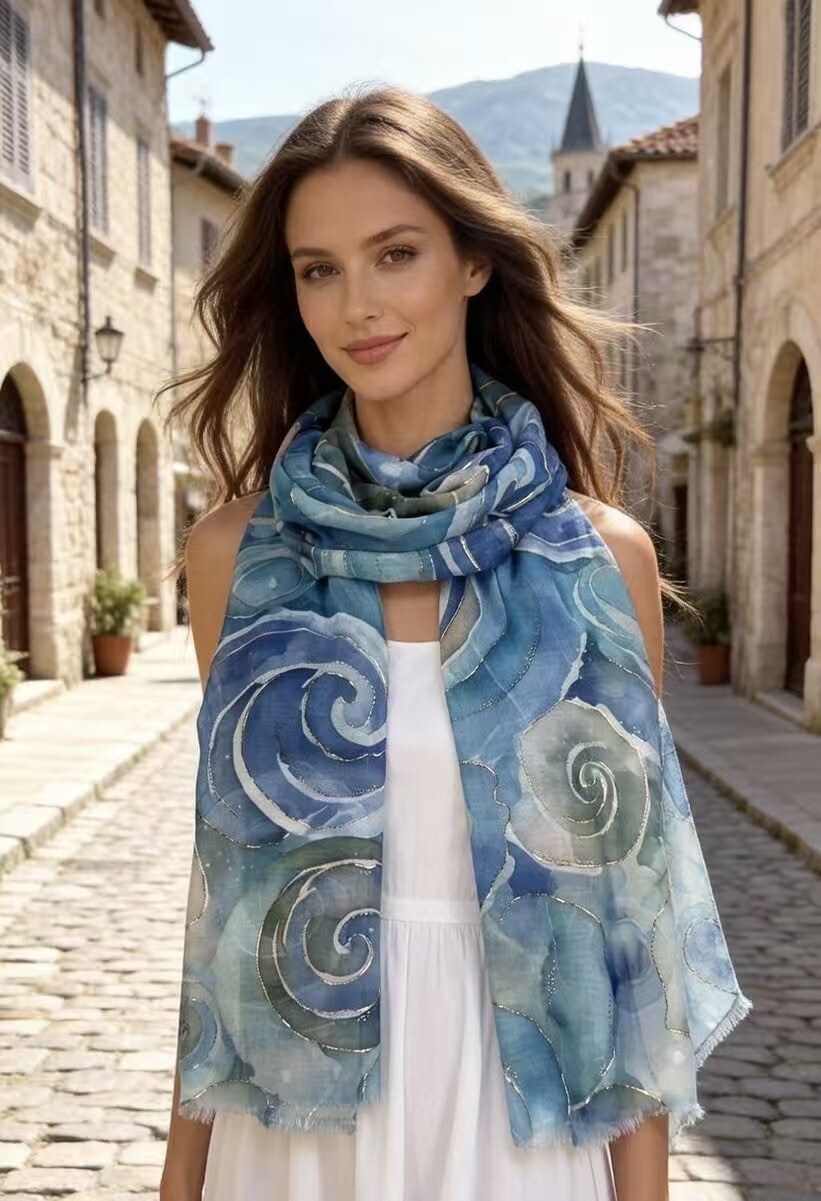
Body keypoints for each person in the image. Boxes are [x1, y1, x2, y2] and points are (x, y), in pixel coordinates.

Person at [158, 84, 715, 1201]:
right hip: (300, 1129)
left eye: (394, 253)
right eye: (318, 269)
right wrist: (181, 1181)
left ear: (472, 261)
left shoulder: (597, 560)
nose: (356, 303)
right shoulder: (235, 557)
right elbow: (226, 906)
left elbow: (626, 927)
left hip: (520, 1115)